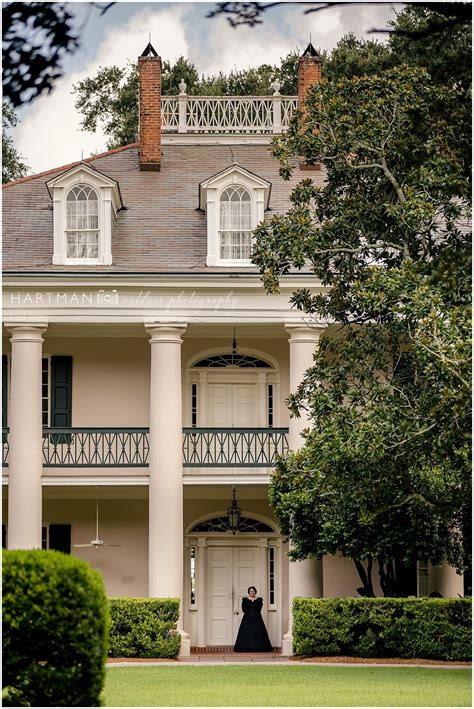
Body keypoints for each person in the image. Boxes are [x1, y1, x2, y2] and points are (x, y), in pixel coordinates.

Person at [233, 586, 273, 652]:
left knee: (258, 632)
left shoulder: (259, 600)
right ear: (249, 592)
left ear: (255, 592)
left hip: (257, 618)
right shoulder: (245, 600)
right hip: (247, 618)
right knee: (246, 632)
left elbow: (260, 609)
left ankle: (258, 648)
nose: (252, 592)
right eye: (251, 591)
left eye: (253, 591)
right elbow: (243, 609)